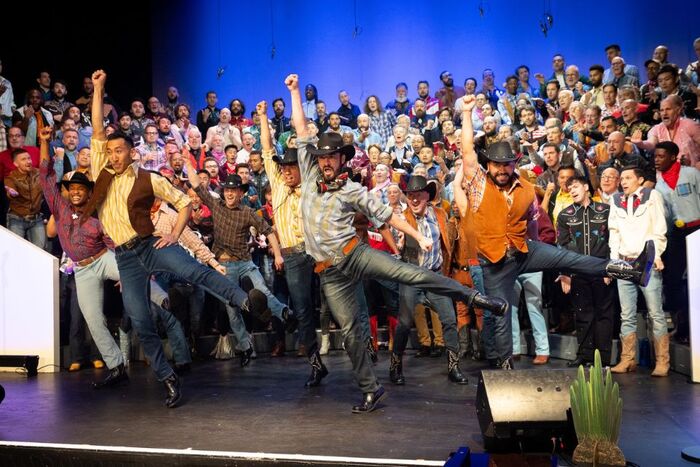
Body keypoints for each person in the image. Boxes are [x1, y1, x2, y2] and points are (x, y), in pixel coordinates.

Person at [286, 73, 505, 413]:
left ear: (342, 160)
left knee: (410, 274)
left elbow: (387, 215)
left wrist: (417, 235)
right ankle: (372, 390)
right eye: (322, 157)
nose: (326, 161)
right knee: (351, 334)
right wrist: (296, 92)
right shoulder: (311, 173)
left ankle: (475, 297)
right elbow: (301, 130)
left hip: (355, 255)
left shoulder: (353, 190)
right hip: (329, 272)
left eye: (332, 157)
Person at [83, 70, 268, 408]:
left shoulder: (148, 178)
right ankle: (168, 377)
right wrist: (98, 89)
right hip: (125, 258)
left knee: (197, 270)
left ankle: (244, 302)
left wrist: (173, 232)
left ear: (130, 153)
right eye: (109, 152)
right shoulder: (101, 170)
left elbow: (183, 203)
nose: (112, 156)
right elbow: (97, 127)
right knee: (140, 319)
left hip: (151, 246)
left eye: (118, 152)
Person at [454, 94, 656, 370]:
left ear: (514, 163)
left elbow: (531, 220)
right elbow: (467, 151)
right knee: (500, 314)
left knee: (571, 259)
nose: (502, 169)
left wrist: (538, 248)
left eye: (507, 164)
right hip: (494, 262)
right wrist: (466, 113)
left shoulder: (525, 187)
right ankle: (503, 366)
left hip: (523, 250)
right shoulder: (478, 183)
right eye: (497, 164)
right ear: (488, 165)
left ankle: (630, 271)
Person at [257, 100, 328, 386]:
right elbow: (266, 150)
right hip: (294, 255)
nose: (286, 171)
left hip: (317, 250)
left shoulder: (310, 182)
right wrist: (262, 118)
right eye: (283, 168)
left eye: (290, 167)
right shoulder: (277, 183)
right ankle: (314, 363)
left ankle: (362, 346)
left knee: (333, 301)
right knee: (302, 308)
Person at [389, 176, 469, 386]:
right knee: (405, 322)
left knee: (449, 320)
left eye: (418, 195)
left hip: (434, 275)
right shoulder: (403, 218)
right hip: (411, 275)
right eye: (410, 195)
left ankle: (454, 366)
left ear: (427, 196)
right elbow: (391, 232)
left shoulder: (440, 215)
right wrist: (398, 243)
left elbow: (449, 244)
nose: (414, 199)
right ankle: (395, 365)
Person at [608, 166, 669, 377]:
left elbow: (660, 229)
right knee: (627, 314)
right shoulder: (615, 200)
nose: (623, 181)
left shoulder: (652, 196)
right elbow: (614, 232)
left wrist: (657, 254)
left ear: (640, 179)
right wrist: (614, 262)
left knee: (655, 313)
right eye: (622, 178)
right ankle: (627, 359)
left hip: (647, 262)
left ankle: (662, 361)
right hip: (625, 263)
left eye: (628, 178)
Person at [557, 175, 615, 367]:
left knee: (604, 315)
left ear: (586, 188)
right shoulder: (565, 215)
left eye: (575, 186)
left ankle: (603, 359)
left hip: (602, 271)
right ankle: (585, 355)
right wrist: (564, 273)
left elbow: (612, 242)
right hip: (578, 272)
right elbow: (562, 247)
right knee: (582, 314)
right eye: (569, 188)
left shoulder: (606, 210)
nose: (572, 191)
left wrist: (610, 269)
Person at [653, 141, 700, 343]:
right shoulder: (659, 183)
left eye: (661, 156)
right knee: (674, 282)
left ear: (673, 157)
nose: (656, 160)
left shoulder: (691, 174)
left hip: (697, 228)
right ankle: (682, 328)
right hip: (675, 234)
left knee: (696, 282)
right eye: (655, 156)